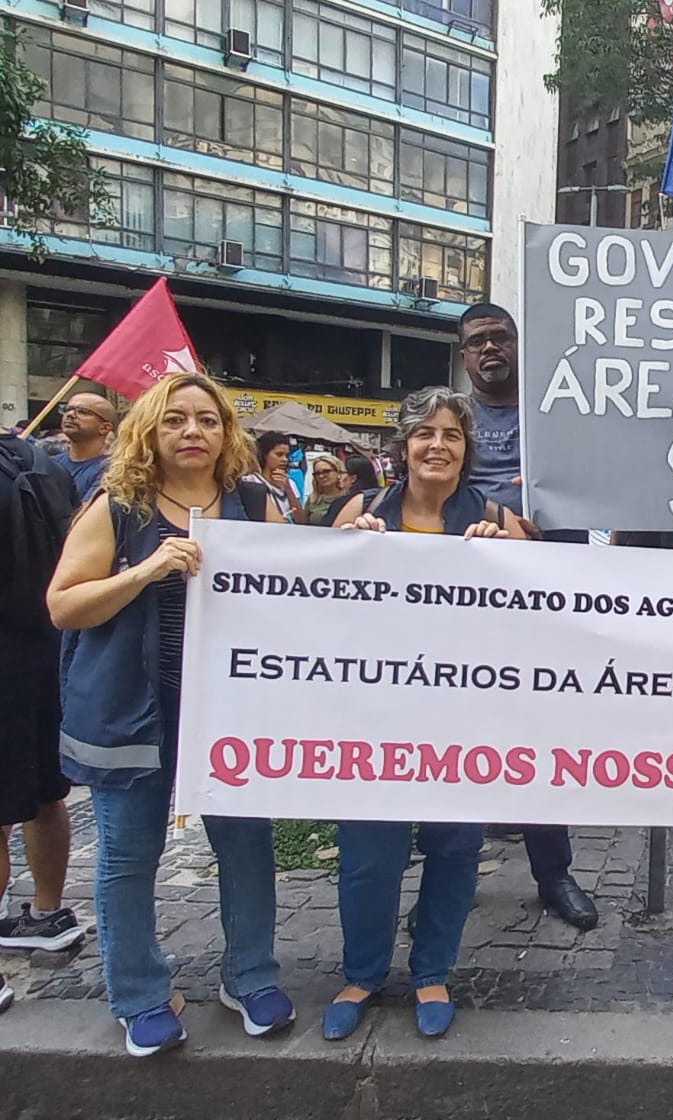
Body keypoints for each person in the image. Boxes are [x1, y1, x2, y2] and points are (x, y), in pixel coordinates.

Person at [46, 373, 293, 1058]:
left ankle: (251, 977)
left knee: (247, 849)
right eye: (176, 420)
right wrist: (145, 572)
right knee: (128, 856)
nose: (193, 432)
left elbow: (298, 594)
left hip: (228, 713)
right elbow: (64, 605)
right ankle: (139, 996)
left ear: (225, 433)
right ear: (149, 433)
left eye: (207, 421)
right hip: (131, 712)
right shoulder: (118, 506)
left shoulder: (252, 503)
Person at [324, 386, 518, 1042]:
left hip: (462, 720)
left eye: (452, 435)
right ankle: (363, 974)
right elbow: (313, 610)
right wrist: (348, 550)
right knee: (368, 857)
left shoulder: (495, 516)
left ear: (466, 450)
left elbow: (536, 618)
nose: (438, 445)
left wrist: (507, 557)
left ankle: (432, 971)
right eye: (425, 434)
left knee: (455, 850)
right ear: (403, 447)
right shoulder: (360, 509)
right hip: (374, 717)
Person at [456, 301, 598, 932]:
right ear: (463, 356)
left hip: (547, 585)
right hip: (469, 589)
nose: (490, 349)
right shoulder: (451, 419)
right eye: (477, 341)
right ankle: (451, 879)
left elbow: (594, 488)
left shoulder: (556, 410)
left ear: (519, 343)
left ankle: (554, 873)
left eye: (500, 337)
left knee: (542, 729)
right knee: (460, 734)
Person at [0, 432, 83, 959]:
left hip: (14, 644)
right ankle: (49, 911)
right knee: (48, 794)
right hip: (45, 646)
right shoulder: (38, 462)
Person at [53, 392, 117, 501]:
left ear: (105, 428)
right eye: (67, 409)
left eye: (83, 411)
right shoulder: (48, 464)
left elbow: (85, 513)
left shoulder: (113, 470)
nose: (70, 414)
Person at [247, 431, 306, 523]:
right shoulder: (250, 481)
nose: (284, 460)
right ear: (265, 455)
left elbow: (301, 521)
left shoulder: (290, 483)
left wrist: (288, 489)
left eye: (287, 455)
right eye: (279, 454)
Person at [303, 454, 346, 525]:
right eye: (317, 473)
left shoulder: (349, 497)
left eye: (326, 471)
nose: (321, 476)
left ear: (338, 472)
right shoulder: (313, 499)